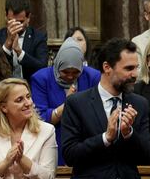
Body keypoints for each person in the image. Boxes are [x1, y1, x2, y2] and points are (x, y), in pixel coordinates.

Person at [61, 38, 150, 179]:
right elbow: (70, 154)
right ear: (107, 67)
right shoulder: (77, 103)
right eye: (128, 68)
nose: (135, 75)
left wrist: (128, 133)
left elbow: (146, 154)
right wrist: (105, 138)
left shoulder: (139, 104)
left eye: (136, 68)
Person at [31, 37, 100, 166]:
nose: (70, 76)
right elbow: (39, 119)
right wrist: (67, 104)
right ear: (58, 65)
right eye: (65, 71)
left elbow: (98, 113)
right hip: (53, 143)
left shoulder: (93, 77)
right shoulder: (41, 79)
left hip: (86, 143)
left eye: (75, 72)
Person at [0, 0, 48, 83]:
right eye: (11, 21)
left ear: (28, 18)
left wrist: (19, 52)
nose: (15, 25)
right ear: (5, 16)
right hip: (3, 88)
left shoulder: (38, 37)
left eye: (20, 22)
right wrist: (7, 46)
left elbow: (42, 67)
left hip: (30, 88)